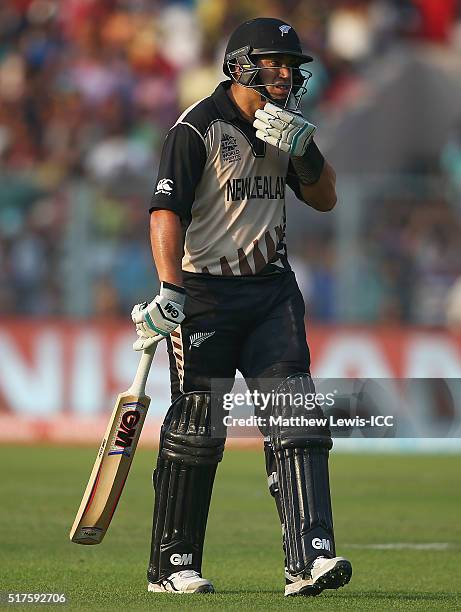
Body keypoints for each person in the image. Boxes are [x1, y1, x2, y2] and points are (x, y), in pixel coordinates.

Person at [131, 17, 352, 597]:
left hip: (271, 293)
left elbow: (326, 199)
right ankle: (172, 564)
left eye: (291, 65)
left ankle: (309, 559)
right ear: (239, 65)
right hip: (204, 296)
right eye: (273, 63)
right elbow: (165, 213)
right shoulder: (196, 128)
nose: (285, 74)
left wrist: (304, 150)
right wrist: (169, 288)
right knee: (198, 433)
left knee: (297, 422)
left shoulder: (289, 129)